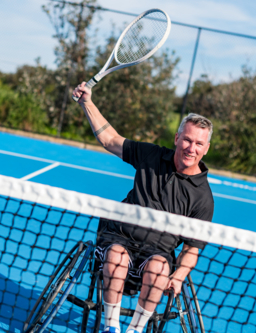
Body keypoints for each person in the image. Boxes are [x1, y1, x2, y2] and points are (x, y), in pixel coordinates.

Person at [72, 82, 214, 333]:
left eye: (199, 144)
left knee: (160, 269)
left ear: (206, 148)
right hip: (118, 236)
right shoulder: (151, 155)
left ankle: (135, 330)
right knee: (115, 257)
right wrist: (87, 102)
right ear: (177, 138)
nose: (191, 149)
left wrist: (178, 276)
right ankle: (110, 327)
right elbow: (110, 139)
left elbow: (193, 248)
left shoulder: (203, 198)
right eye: (187, 140)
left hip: (157, 253)